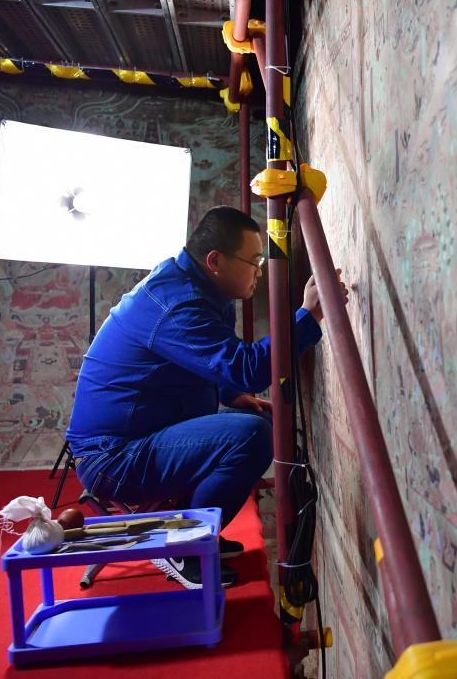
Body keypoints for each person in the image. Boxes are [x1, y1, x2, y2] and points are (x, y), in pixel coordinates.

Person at [65, 205, 348, 588]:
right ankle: (182, 545)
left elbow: (200, 361)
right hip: (114, 458)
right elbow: (247, 367)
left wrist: (232, 394)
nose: (259, 271)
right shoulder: (177, 304)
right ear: (215, 261)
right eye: (253, 261)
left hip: (136, 441)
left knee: (257, 423)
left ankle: (193, 528)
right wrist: (308, 316)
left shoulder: (197, 289)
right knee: (250, 436)